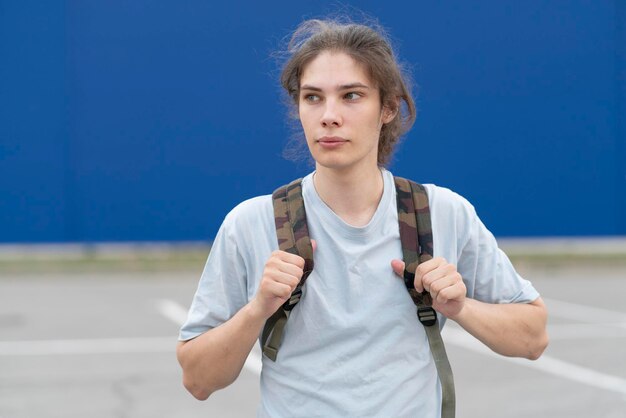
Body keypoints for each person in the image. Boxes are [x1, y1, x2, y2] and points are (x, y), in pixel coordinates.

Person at [176, 17, 548, 417]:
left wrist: (459, 308)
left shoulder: (441, 213)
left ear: (388, 107)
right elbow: (198, 380)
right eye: (313, 97)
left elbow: (533, 337)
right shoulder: (251, 223)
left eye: (351, 96)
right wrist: (258, 309)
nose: (329, 116)